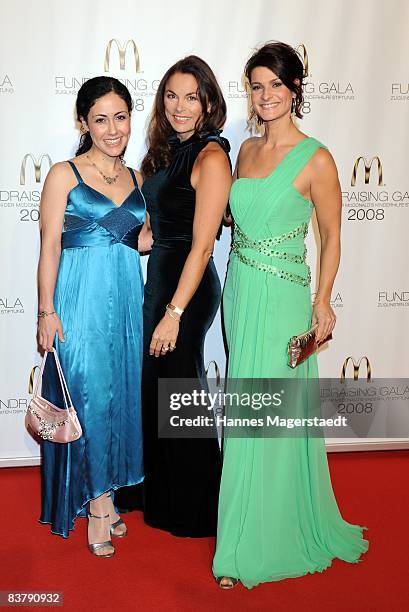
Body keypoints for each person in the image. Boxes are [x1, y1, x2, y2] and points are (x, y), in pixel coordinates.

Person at [212, 42, 368, 588]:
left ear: (295, 88)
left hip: (284, 299)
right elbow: (233, 217)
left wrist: (323, 300)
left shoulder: (317, 158)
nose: (266, 95)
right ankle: (240, 528)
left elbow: (332, 235)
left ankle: (258, 540)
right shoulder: (245, 152)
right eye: (257, 85)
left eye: (276, 84)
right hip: (241, 288)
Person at [115, 56, 231, 537]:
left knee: (179, 393)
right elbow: (148, 233)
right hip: (160, 281)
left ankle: (196, 507)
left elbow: (203, 246)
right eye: (171, 96)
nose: (179, 107)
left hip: (187, 289)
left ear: (208, 103)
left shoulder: (212, 157)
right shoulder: (165, 154)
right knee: (156, 387)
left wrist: (174, 313)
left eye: (191, 97)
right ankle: (158, 494)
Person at [37, 76, 148, 557]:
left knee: (120, 397)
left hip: (126, 300)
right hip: (79, 301)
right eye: (100, 119)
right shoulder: (65, 174)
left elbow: (140, 241)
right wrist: (46, 311)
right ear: (83, 122)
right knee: (89, 398)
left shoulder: (137, 178)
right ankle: (98, 509)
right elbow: (49, 248)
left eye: (120, 117)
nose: (112, 129)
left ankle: (109, 494)